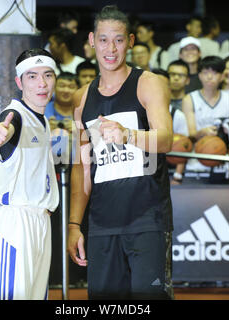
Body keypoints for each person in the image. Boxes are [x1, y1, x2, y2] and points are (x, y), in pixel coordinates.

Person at [67, 5, 173, 300]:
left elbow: (166, 140)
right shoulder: (82, 97)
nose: (110, 48)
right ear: (91, 40)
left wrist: (127, 135)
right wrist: (75, 224)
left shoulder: (149, 83)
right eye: (103, 40)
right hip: (102, 224)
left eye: (118, 39)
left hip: (148, 219)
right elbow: (82, 167)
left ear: (131, 41)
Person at [0, 48, 59, 300]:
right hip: (15, 223)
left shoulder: (43, 120)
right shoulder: (15, 115)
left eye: (48, 75)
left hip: (41, 220)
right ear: (19, 82)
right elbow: (5, 128)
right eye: (32, 76)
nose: (42, 83)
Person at [182, 56, 229, 175]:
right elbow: (190, 135)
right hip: (196, 162)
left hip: (222, 162)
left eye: (215, 73)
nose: (209, 76)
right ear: (199, 75)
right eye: (205, 72)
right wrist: (202, 132)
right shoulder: (190, 99)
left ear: (222, 76)